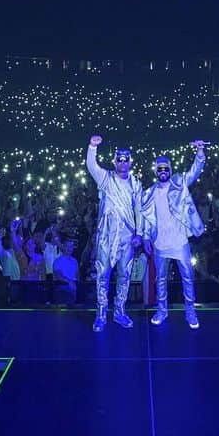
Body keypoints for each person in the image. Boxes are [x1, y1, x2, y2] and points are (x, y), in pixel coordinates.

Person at [140, 141, 206, 328]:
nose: (163, 171)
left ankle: (190, 312)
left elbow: (195, 170)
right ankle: (162, 311)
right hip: (160, 243)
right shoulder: (149, 193)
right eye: (159, 168)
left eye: (166, 168)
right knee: (160, 279)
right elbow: (147, 217)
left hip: (180, 243)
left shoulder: (179, 183)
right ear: (156, 171)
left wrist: (200, 152)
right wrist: (146, 237)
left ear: (170, 169)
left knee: (187, 277)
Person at [86, 134, 144, 332]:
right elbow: (91, 166)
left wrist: (139, 233)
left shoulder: (136, 183)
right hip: (106, 237)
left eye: (125, 159)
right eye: (119, 159)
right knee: (102, 276)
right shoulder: (106, 178)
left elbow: (139, 210)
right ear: (115, 161)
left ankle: (119, 312)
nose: (122, 162)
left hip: (127, 238)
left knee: (124, 275)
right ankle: (101, 315)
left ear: (130, 162)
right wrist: (92, 147)